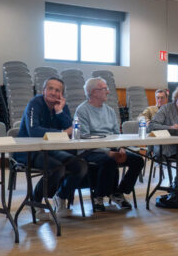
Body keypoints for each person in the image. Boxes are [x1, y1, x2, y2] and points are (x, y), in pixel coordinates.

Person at [16, 77, 87, 218]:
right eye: (50, 88)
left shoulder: (62, 106)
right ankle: (35, 202)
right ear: (43, 90)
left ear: (62, 94)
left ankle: (60, 196)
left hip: (52, 150)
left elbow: (71, 129)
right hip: (30, 151)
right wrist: (62, 133)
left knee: (80, 165)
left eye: (57, 90)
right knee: (57, 168)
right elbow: (34, 131)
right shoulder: (34, 104)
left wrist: (60, 112)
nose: (53, 92)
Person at [75, 77, 145, 211]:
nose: (108, 91)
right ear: (94, 92)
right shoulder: (82, 110)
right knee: (109, 161)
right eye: (104, 89)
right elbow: (84, 138)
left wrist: (121, 148)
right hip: (90, 150)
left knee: (138, 160)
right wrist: (108, 152)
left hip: (111, 148)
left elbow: (116, 134)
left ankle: (118, 192)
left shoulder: (110, 111)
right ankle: (98, 196)